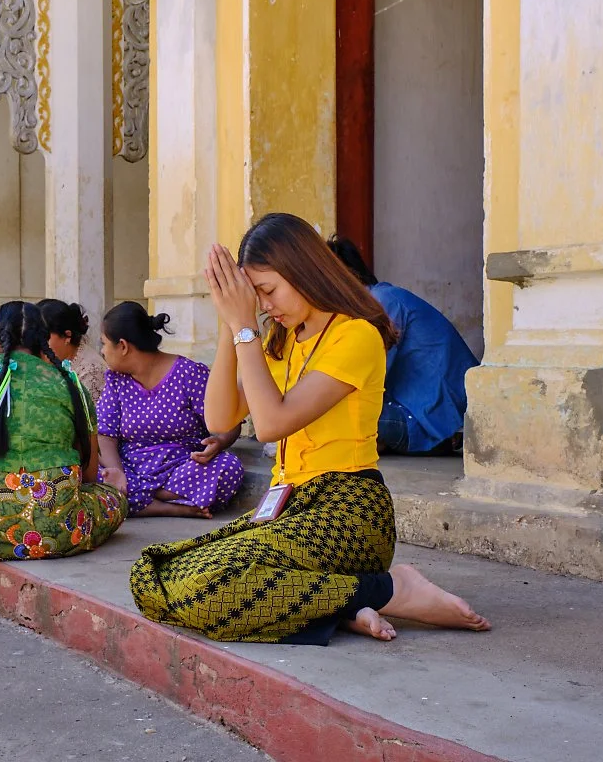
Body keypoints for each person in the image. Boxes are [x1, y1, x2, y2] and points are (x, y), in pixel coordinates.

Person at [129, 213, 490, 645]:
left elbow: (270, 425)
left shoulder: (356, 336)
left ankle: (393, 588)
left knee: (212, 586)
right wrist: (231, 325)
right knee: (154, 575)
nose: (265, 306)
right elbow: (220, 420)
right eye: (255, 296)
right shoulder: (279, 341)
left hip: (348, 510)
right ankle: (346, 606)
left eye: (268, 291)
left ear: (303, 270)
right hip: (287, 506)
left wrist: (245, 328)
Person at [0, 301, 126, 606]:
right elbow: (90, 475)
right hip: (60, 530)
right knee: (115, 498)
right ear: (45, 347)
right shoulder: (70, 383)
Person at [328, 236, 478, 455]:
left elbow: (365, 376)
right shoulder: (377, 301)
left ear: (348, 276)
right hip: (431, 417)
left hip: (427, 420)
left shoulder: (382, 302)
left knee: (331, 413)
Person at [97, 302, 244, 518]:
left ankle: (138, 501)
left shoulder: (189, 374)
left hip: (181, 469)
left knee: (228, 467)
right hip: (130, 470)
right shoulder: (116, 380)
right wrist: (118, 473)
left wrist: (220, 442)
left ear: (123, 346)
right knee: (87, 472)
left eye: (104, 344)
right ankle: (170, 506)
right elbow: (105, 436)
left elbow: (230, 422)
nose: (102, 352)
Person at [37, 299, 108, 403]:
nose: (39, 344)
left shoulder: (92, 371)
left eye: (45, 337)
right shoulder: (50, 361)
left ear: (67, 336)